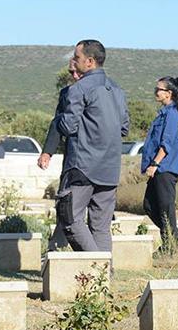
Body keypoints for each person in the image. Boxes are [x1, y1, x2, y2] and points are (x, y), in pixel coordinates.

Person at [52, 39, 129, 252]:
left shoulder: (79, 89)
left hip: (82, 166)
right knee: (101, 227)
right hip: (110, 167)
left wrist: (58, 119)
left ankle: (97, 267)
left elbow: (67, 126)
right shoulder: (117, 90)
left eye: (77, 58)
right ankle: (104, 277)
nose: (73, 62)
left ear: (90, 62)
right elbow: (124, 128)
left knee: (70, 219)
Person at [38, 59, 81, 251]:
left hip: (98, 159)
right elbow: (58, 123)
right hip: (72, 157)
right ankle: (59, 245)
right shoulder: (67, 94)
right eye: (70, 72)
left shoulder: (104, 92)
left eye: (76, 71)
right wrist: (47, 152)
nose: (74, 75)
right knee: (65, 202)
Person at [141, 76, 178, 247]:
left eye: (158, 89)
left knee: (165, 209)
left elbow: (166, 143)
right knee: (150, 205)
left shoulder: (173, 114)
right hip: (158, 169)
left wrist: (155, 163)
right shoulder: (163, 113)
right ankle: (177, 238)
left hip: (165, 169)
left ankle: (169, 246)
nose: (155, 92)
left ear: (169, 93)